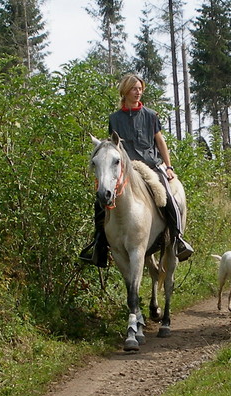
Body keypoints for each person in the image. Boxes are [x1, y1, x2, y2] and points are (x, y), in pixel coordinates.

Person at [80, 73, 195, 267]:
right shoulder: (114, 119)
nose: (138, 92)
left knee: (167, 195)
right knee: (100, 201)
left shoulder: (150, 115)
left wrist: (168, 166)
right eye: (134, 88)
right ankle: (99, 244)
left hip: (150, 165)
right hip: (126, 168)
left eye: (140, 88)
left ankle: (178, 238)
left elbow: (160, 142)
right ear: (125, 91)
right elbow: (113, 147)